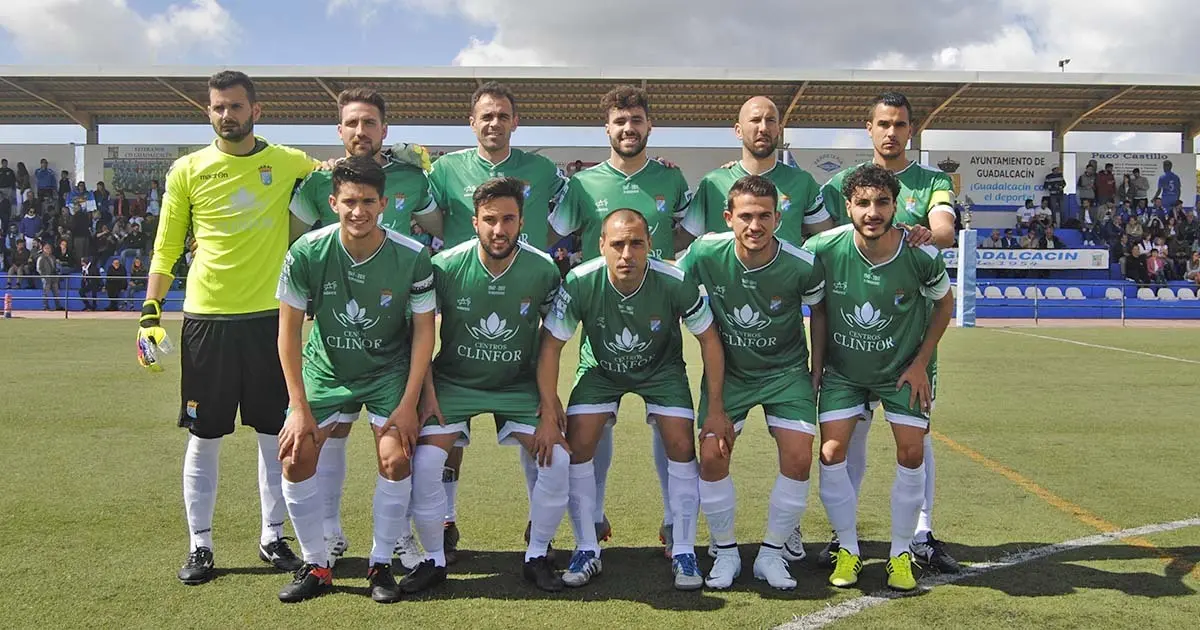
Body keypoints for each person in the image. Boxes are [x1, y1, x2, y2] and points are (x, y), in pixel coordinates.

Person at [137, 70, 318, 586]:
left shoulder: (287, 161)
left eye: (235, 106)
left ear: (255, 110)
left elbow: (338, 176)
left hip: (269, 322)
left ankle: (272, 537)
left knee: (273, 436)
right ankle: (201, 545)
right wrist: (150, 311)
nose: (226, 115)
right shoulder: (187, 169)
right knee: (204, 437)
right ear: (208, 111)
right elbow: (166, 246)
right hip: (207, 321)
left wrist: (397, 159)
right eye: (218, 107)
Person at [273, 157, 436, 603]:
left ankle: (380, 563)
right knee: (295, 457)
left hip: (387, 370)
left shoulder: (413, 255)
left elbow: (425, 331)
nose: (358, 211)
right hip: (327, 368)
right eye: (349, 202)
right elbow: (288, 332)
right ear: (333, 203)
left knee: (396, 460)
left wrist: (408, 403)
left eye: (367, 201)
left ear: (383, 203)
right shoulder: (306, 251)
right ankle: (316, 564)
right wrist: (298, 407)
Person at [812, 92, 959, 574]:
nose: (891, 132)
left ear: (911, 130)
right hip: (850, 341)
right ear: (869, 128)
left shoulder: (933, 180)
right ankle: (844, 539)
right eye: (883, 124)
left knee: (916, 441)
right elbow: (817, 236)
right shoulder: (838, 184)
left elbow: (943, 229)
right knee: (844, 442)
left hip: (907, 339)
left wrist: (919, 232)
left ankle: (919, 536)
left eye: (899, 124)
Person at [539, 208, 724, 590]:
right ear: (601, 245)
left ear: (650, 245)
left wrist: (716, 407)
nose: (627, 254)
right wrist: (549, 403)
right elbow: (552, 345)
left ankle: (684, 550)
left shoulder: (675, 281)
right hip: (601, 371)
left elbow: (709, 339)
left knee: (680, 443)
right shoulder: (580, 281)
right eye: (618, 244)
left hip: (662, 370)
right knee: (579, 442)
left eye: (636, 244)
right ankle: (586, 548)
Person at [547, 85, 694, 557]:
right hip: (601, 321)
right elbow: (553, 232)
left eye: (636, 120)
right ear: (606, 128)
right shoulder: (582, 185)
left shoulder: (671, 178)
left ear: (650, 126)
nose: (628, 128)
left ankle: (673, 521)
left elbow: (687, 232)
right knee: (594, 423)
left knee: (669, 424)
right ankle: (591, 517)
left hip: (659, 319)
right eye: (620, 121)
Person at [425, 82, 569, 560]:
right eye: (486, 115)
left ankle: (539, 535)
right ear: (472, 123)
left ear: (515, 122)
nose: (494, 123)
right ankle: (443, 525)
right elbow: (421, 211)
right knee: (440, 443)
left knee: (547, 444)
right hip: (462, 303)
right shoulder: (445, 170)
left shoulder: (542, 170)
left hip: (519, 312)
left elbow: (582, 199)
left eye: (503, 115)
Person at [678, 175, 826, 590]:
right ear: (729, 218)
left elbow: (821, 312)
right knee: (712, 455)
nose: (755, 225)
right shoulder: (705, 252)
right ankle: (725, 551)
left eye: (764, 216)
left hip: (786, 372)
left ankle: (772, 553)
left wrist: (816, 370)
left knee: (798, 456)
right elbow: (671, 287)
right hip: (731, 373)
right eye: (745, 216)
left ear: (778, 218)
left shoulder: (802, 264)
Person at [680, 96, 832, 245]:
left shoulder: (801, 182)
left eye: (770, 120)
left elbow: (826, 240)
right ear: (738, 131)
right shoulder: (713, 183)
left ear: (779, 130)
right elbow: (682, 239)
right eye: (755, 120)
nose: (763, 128)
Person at [37, 242, 63, 310]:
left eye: (49, 248)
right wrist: (44, 275)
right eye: (46, 248)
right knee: (46, 293)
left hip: (53, 277)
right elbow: (39, 268)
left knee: (56, 292)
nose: (48, 250)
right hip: (46, 277)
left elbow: (54, 266)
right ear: (43, 249)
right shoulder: (41, 258)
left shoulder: (53, 257)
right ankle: (45, 306)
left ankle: (58, 306)